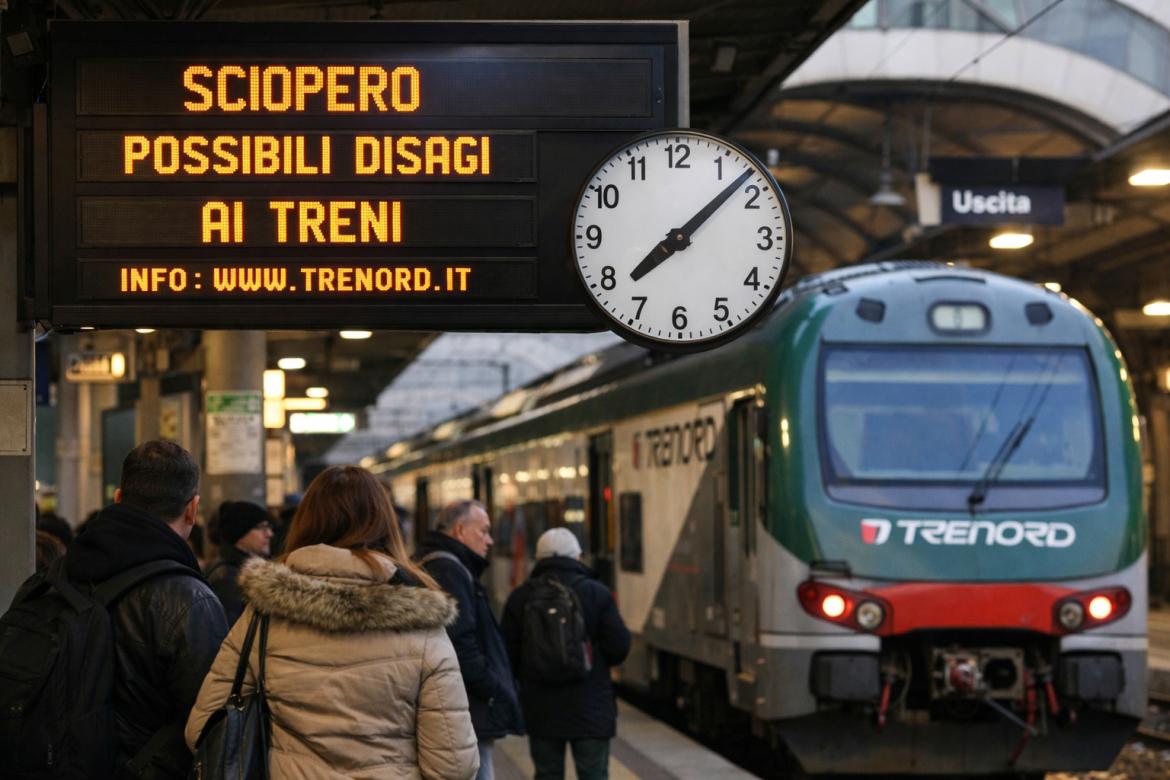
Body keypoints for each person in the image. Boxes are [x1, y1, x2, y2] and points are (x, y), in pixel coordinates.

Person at [186, 465, 479, 779]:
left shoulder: (264, 615)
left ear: (308, 521)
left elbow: (203, 727)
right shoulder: (422, 625)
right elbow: (452, 766)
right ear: (384, 524)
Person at [66, 439, 229, 779]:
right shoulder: (189, 599)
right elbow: (211, 722)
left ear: (119, 499)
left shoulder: (56, 575)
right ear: (192, 509)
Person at [501, 528, 632, 780]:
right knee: (594, 774)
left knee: (547, 773)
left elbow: (507, 654)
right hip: (591, 706)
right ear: (577, 557)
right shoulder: (597, 593)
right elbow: (619, 647)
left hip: (541, 709)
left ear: (538, 559)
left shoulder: (520, 598)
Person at [416, 499, 523, 780]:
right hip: (467, 707)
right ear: (460, 530)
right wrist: (493, 689)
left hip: (463, 705)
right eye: (484, 531)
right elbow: (460, 643)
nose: (489, 541)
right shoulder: (449, 570)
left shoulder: (442, 564)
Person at [205, 500, 273, 624]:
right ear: (240, 533)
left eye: (268, 527)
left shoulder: (240, 571)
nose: (269, 533)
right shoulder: (227, 578)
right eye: (261, 528)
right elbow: (229, 631)